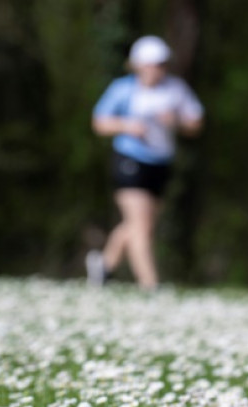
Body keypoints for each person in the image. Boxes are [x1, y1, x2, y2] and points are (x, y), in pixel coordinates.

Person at [86, 35, 204, 290]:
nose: (155, 69)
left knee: (140, 224)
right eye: (150, 64)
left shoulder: (175, 89)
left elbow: (196, 123)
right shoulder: (124, 89)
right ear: (137, 65)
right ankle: (149, 285)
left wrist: (176, 122)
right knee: (141, 225)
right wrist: (127, 125)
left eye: (160, 64)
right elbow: (99, 122)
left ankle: (103, 267)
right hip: (129, 158)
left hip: (160, 162)